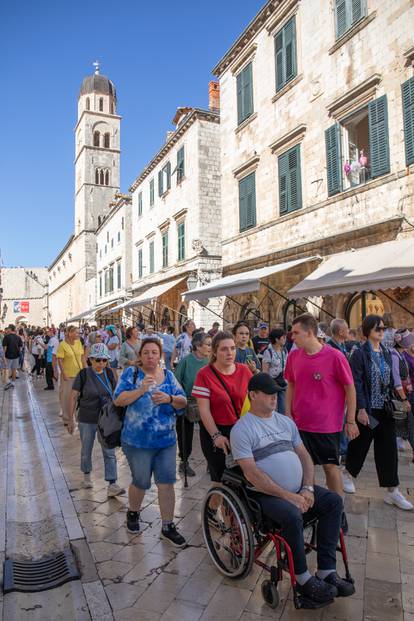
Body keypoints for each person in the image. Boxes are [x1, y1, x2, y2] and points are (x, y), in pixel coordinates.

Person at [231, 373, 355, 606]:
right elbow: (251, 474)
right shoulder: (242, 429)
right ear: (253, 395)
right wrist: (289, 496)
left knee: (333, 502)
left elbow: (305, 457)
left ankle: (326, 570)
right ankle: (302, 578)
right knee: (291, 514)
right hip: (266, 495)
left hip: (299, 489)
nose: (273, 397)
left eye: (275, 393)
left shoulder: (285, 422)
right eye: (268, 393)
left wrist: (307, 488)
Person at [285, 313, 358, 531]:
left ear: (310, 332)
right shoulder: (294, 357)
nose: (292, 337)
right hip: (299, 425)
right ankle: (306, 508)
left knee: (330, 468)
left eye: (296, 332)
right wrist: (287, 414)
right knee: (301, 469)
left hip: (327, 426)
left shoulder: (335, 356)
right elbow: (291, 385)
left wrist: (351, 420)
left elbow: (350, 388)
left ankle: (338, 512)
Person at [113, 338, 187, 545]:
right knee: (141, 481)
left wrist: (170, 399)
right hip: (137, 441)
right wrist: (140, 390)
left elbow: (183, 401)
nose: (151, 356)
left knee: (166, 483)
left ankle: (168, 525)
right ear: (140, 356)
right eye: (146, 352)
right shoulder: (132, 374)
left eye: (154, 352)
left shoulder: (169, 377)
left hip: (166, 441)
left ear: (160, 355)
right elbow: (118, 399)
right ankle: (133, 512)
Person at [344, 315, 413, 510]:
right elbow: (356, 383)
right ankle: (347, 473)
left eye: (383, 328)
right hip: (369, 409)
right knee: (362, 443)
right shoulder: (359, 353)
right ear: (368, 331)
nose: (382, 331)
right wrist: (361, 409)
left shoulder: (385, 352)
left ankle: (393, 490)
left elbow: (391, 380)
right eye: (378, 328)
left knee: (388, 449)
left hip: (384, 409)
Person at [192, 331, 252, 483]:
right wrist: (216, 436)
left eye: (232, 348)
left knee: (244, 478)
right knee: (221, 480)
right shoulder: (204, 374)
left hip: (241, 431)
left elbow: (254, 400)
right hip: (216, 432)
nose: (230, 353)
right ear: (214, 351)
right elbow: (204, 409)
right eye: (224, 349)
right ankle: (212, 507)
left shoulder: (244, 371)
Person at [69, 343, 125, 497]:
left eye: (104, 360)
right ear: (91, 360)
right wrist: (70, 419)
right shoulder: (83, 374)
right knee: (86, 449)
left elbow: (116, 394)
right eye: (98, 360)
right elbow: (73, 396)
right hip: (86, 418)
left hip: (106, 420)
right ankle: (87, 475)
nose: (101, 363)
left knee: (109, 452)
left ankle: (112, 484)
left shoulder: (109, 373)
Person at [174, 332, 212, 477]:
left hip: (206, 402)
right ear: (197, 346)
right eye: (208, 344)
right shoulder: (186, 361)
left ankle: (211, 461)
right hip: (187, 401)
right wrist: (181, 398)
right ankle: (184, 462)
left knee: (208, 433)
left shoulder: (210, 362)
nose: (210, 347)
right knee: (185, 434)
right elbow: (176, 381)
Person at [391, 329, 414, 455]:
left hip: (404, 394)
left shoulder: (400, 355)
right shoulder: (395, 356)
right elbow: (396, 379)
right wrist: (404, 399)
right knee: (407, 422)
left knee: (405, 422)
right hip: (399, 396)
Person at [57, 326, 85, 426]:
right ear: (69, 333)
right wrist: (63, 373)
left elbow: (82, 357)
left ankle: (73, 415)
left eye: (79, 333)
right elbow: (59, 360)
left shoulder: (78, 343)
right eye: (76, 333)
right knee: (67, 397)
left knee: (78, 397)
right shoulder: (62, 345)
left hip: (79, 374)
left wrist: (85, 370)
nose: (78, 335)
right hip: (68, 375)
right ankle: (67, 419)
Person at [262, 328, 288, 414]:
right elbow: (265, 371)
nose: (285, 339)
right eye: (283, 337)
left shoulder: (284, 351)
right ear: (276, 339)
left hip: (283, 383)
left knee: (283, 408)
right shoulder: (268, 352)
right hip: (273, 383)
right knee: (273, 408)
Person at [3, 325, 23, 390]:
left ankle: (8, 382)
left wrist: (3, 357)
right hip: (16, 356)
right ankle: (13, 383)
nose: (7, 329)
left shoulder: (6, 337)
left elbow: (5, 348)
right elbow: (20, 348)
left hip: (8, 356)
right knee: (14, 369)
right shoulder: (18, 337)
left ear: (10, 329)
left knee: (6, 369)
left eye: (8, 328)